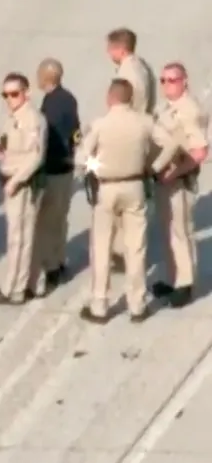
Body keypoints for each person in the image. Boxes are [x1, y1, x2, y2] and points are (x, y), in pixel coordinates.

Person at [76, 79, 178, 324]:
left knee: (101, 246)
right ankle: (137, 304)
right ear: (130, 98)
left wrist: (97, 168)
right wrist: (153, 167)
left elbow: (81, 158)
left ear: (110, 98)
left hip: (107, 187)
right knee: (136, 247)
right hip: (135, 184)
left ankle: (100, 304)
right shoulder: (143, 121)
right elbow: (171, 143)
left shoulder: (100, 125)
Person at [0, 73, 47, 305]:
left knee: (18, 238)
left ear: (26, 93)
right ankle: (26, 283)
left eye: (14, 93)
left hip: (22, 185)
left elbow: (36, 156)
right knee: (21, 235)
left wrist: (15, 181)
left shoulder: (32, 119)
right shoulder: (14, 117)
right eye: (5, 94)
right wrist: (2, 153)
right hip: (11, 178)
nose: (9, 98)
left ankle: (13, 289)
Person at [150, 62, 209, 308]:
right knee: (167, 231)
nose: (166, 85)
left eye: (172, 80)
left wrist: (175, 173)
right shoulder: (167, 106)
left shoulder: (189, 110)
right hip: (163, 179)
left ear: (185, 81)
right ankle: (173, 278)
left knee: (181, 231)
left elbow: (200, 152)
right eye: (163, 80)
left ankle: (185, 283)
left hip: (178, 180)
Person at [106, 28, 156, 271]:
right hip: (139, 135)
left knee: (122, 202)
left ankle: (123, 253)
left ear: (120, 48)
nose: (108, 53)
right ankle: (124, 251)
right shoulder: (141, 66)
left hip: (127, 140)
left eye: (110, 48)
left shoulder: (128, 73)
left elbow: (128, 105)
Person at [34, 58, 80, 294]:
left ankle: (51, 268)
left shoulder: (50, 104)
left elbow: (46, 139)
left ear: (44, 78)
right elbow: (76, 131)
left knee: (47, 222)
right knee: (61, 217)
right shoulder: (69, 98)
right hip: (67, 166)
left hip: (53, 168)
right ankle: (60, 260)